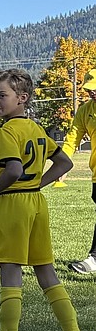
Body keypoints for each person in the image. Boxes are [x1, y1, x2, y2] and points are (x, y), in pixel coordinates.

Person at [0, 69, 86, 331]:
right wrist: (38, 185)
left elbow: (12, 170)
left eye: (1, 95)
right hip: (36, 203)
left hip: (11, 205)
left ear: (22, 99)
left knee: (11, 275)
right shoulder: (36, 130)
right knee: (47, 273)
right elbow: (64, 162)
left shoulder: (6, 131)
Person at [63, 69, 96, 274]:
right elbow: (72, 138)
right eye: (89, 89)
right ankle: (94, 259)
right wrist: (63, 163)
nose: (91, 93)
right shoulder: (85, 111)